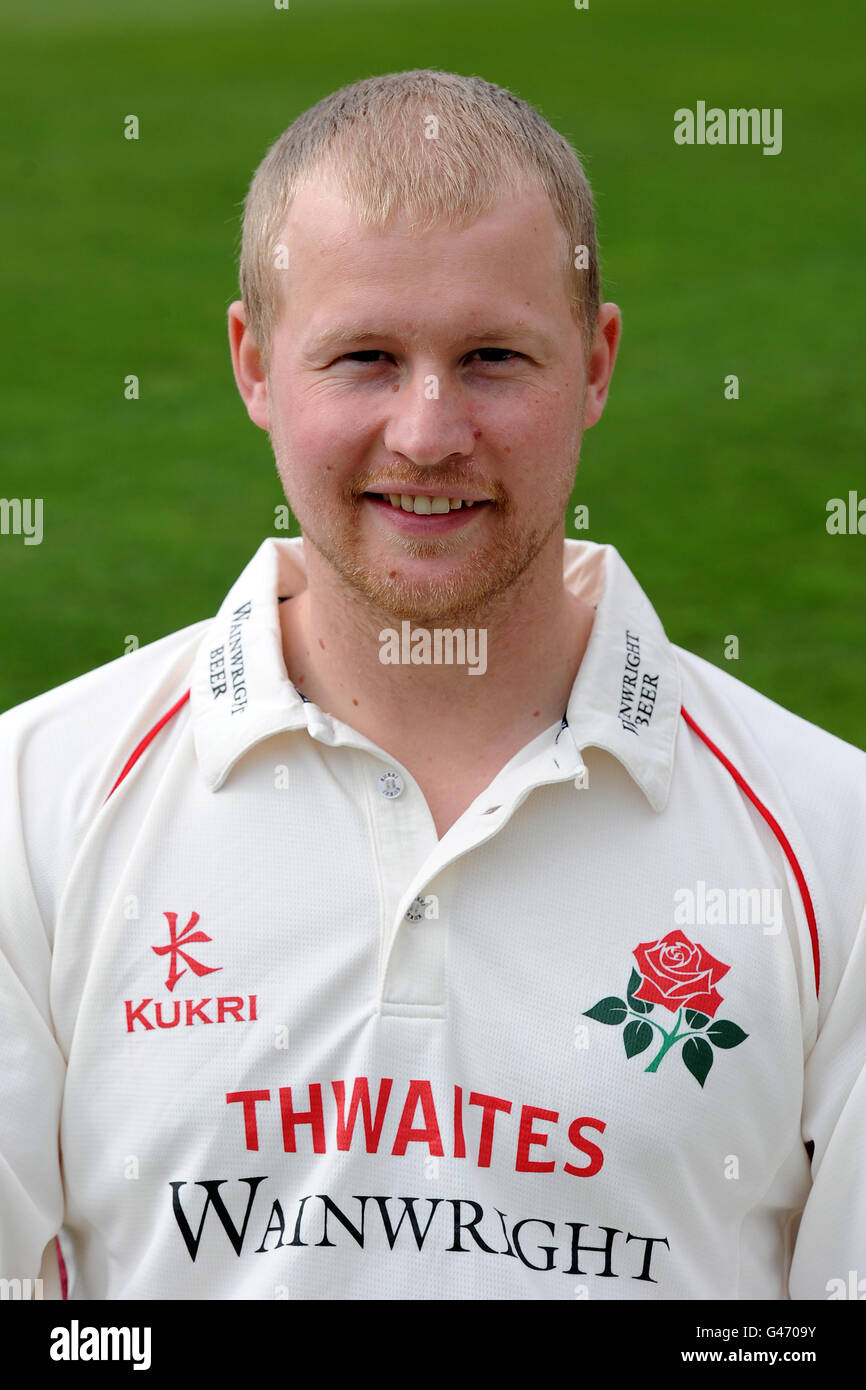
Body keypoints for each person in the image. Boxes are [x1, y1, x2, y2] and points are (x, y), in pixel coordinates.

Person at [1, 69, 863, 1302]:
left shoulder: (831, 842)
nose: (426, 431)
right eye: (361, 357)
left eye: (492, 357)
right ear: (252, 366)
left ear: (596, 364)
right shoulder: (31, 806)